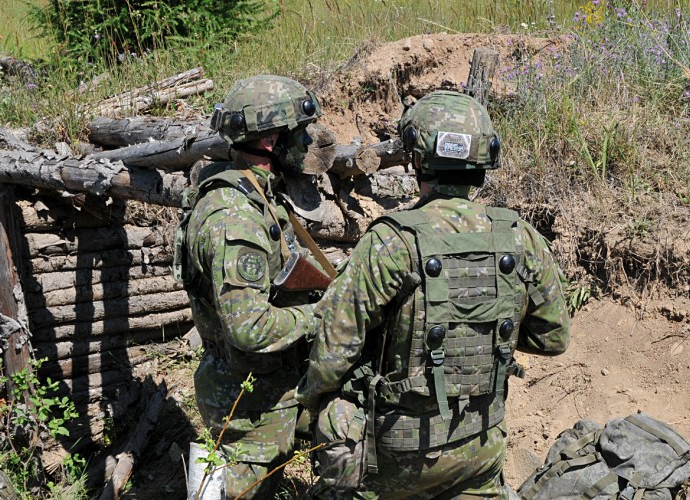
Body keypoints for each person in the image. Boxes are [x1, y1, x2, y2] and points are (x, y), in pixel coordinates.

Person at [296, 90, 572, 499]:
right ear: (484, 160)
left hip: (393, 457)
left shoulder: (392, 242)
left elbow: (333, 350)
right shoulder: (520, 237)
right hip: (480, 446)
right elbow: (553, 337)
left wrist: (311, 405)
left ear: (417, 159)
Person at [175, 74, 329, 499]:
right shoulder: (235, 217)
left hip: (265, 395)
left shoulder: (255, 194)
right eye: (299, 133)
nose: (308, 142)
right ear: (269, 142)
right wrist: (322, 315)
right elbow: (248, 327)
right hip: (246, 407)